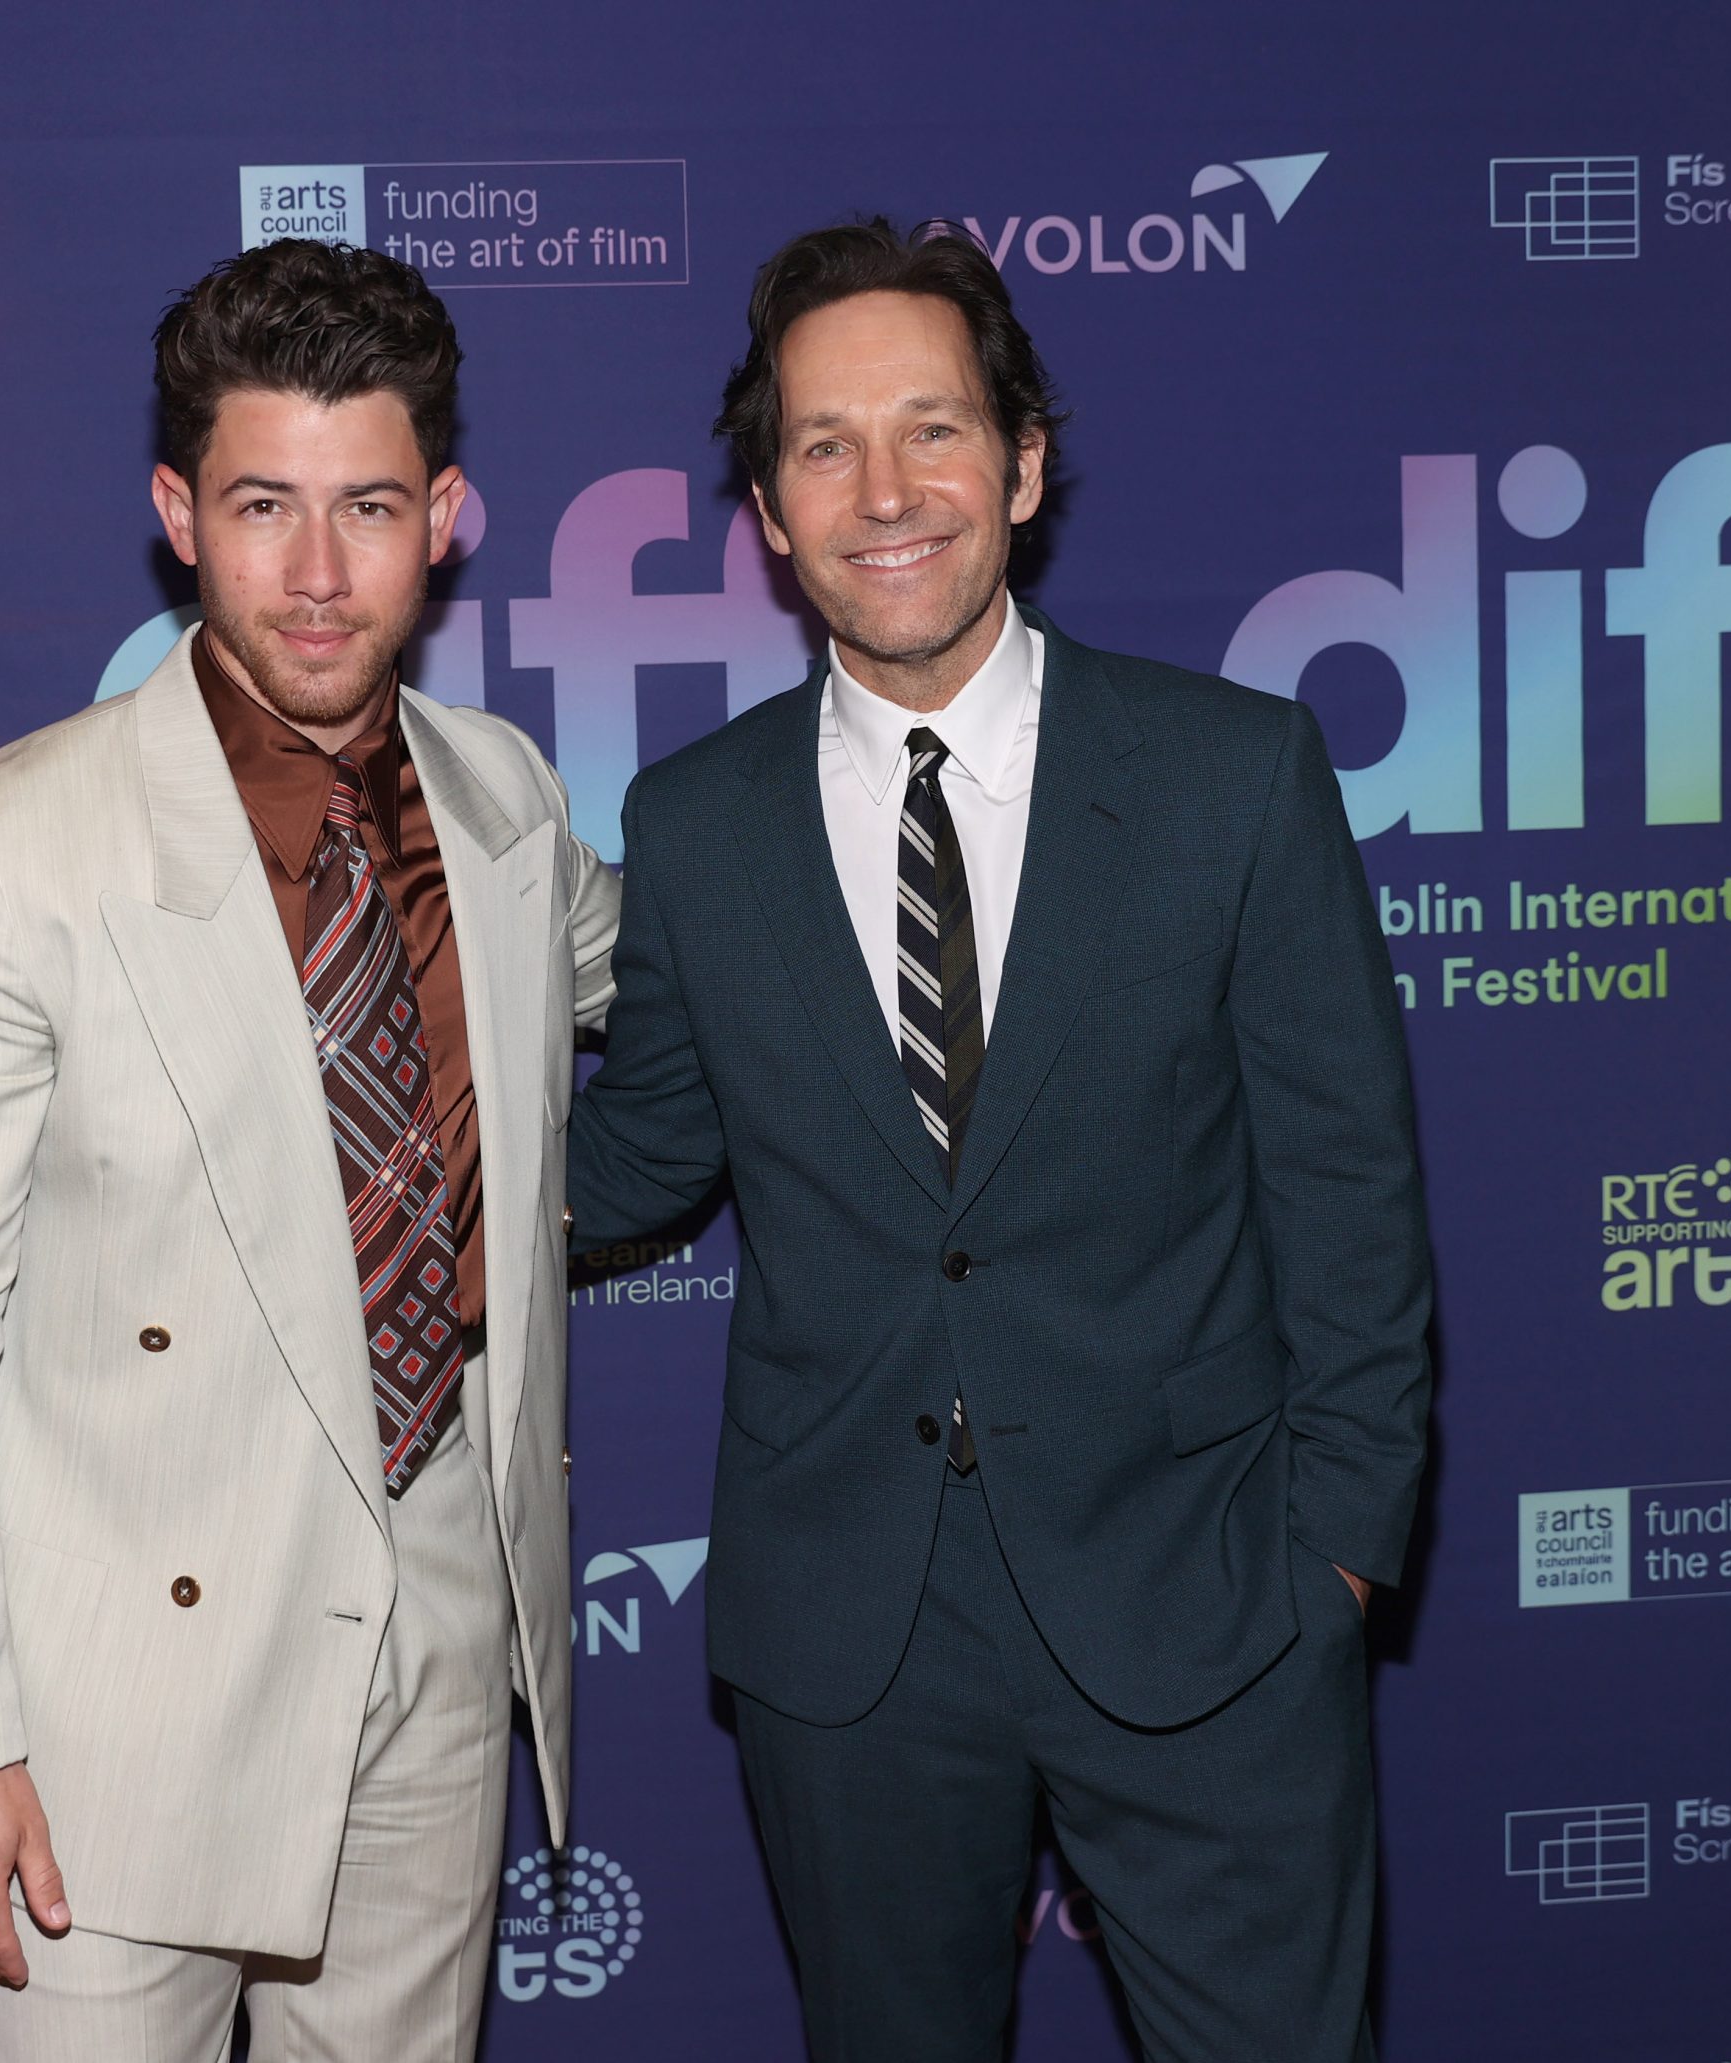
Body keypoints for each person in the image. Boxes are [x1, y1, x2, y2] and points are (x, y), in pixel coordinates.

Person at [564, 218, 1432, 2062]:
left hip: (1209, 1606)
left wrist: (1334, 1570)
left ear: (1023, 467)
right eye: (824, 446)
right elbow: (636, 1162)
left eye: (933, 429)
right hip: (850, 1639)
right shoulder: (696, 824)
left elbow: (1351, 1202)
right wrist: (353, 1131)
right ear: (770, 514)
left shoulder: (1233, 775)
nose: (884, 491)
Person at [0, 238, 618, 2061]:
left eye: (370, 508)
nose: (318, 575)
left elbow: (666, 969)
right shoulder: (7, 847)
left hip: (436, 1640)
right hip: (112, 1708)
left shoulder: (503, 797)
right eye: (264, 506)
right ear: (180, 514)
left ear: (446, 519)